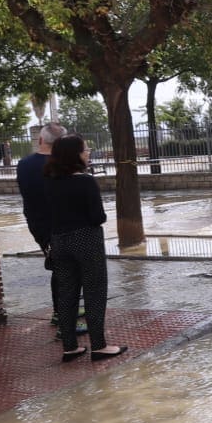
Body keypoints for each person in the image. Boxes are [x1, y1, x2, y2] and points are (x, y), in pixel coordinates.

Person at [44, 134, 125, 361]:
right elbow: (97, 216)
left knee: (67, 294)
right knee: (95, 291)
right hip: (86, 240)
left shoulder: (49, 180)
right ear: (75, 154)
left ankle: (70, 347)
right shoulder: (85, 181)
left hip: (59, 241)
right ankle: (99, 346)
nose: (87, 152)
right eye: (84, 149)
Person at [17, 123, 73, 336]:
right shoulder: (64, 165)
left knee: (59, 267)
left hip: (38, 225)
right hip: (65, 224)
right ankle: (63, 315)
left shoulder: (23, 164)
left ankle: (61, 312)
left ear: (40, 140)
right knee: (66, 270)